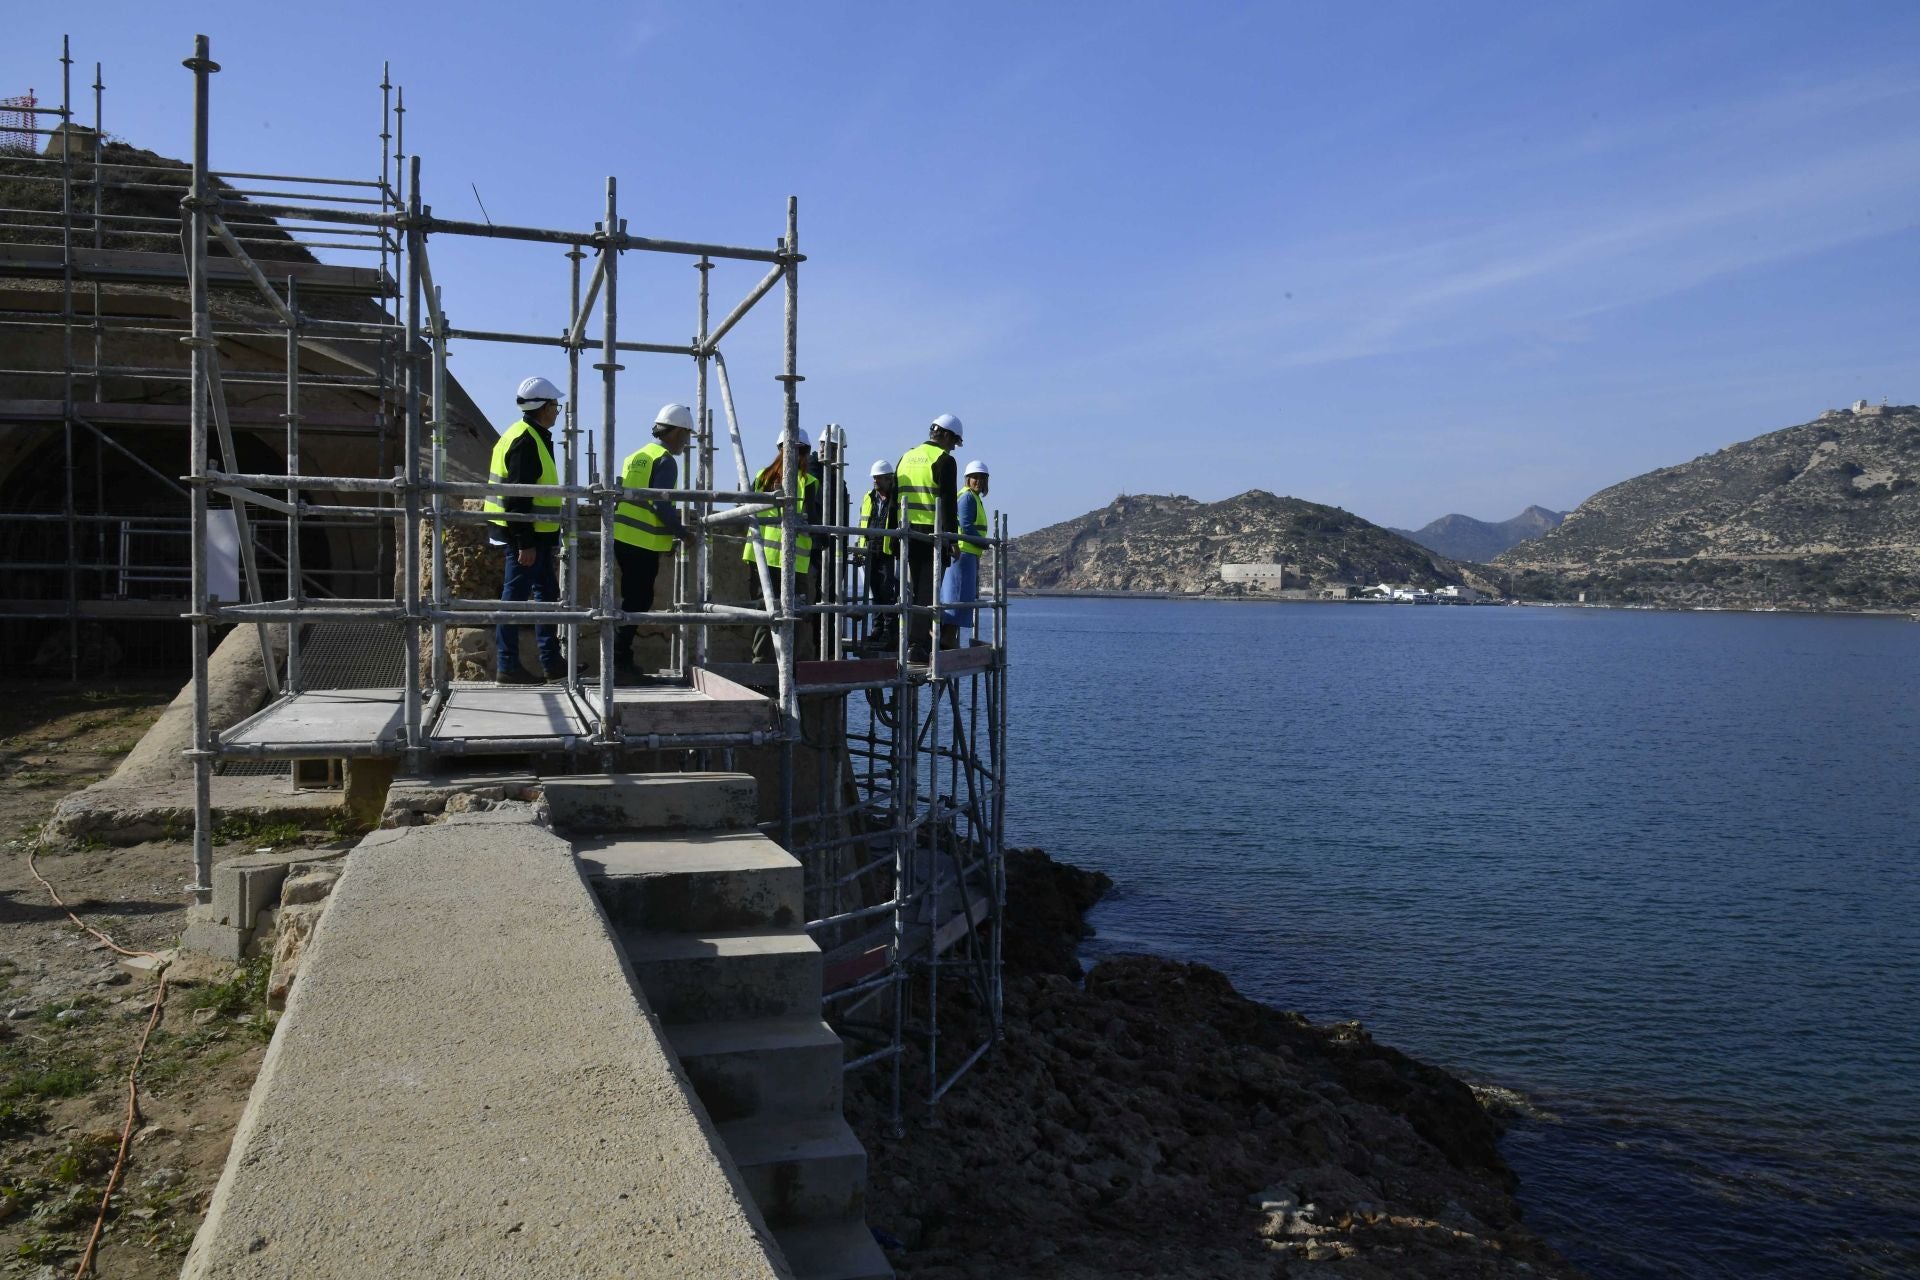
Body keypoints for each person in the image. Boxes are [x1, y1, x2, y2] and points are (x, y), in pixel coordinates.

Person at [483, 376, 566, 684]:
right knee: (515, 597)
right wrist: (524, 543)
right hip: (525, 536)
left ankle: (551, 662)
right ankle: (507, 665)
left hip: (537, 535)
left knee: (546, 593)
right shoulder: (525, 441)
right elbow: (517, 498)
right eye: (555, 406)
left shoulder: (532, 435)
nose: (557, 411)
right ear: (543, 407)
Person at [610, 403, 694, 680]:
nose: (687, 441)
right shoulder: (665, 460)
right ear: (677, 432)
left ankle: (617, 658)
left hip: (622, 537)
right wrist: (682, 532)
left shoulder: (636, 456)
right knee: (637, 601)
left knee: (629, 600)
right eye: (686, 434)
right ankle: (619, 661)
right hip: (643, 542)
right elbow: (661, 506)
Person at [741, 428, 818, 663]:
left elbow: (747, 511)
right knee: (796, 613)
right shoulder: (807, 481)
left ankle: (761, 664)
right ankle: (793, 666)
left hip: (761, 556)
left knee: (767, 612)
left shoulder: (762, 477)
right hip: (792, 559)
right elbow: (813, 521)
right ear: (805, 452)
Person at [895, 413, 961, 663]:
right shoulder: (944, 460)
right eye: (953, 441)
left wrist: (893, 537)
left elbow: (894, 500)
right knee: (927, 593)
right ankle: (916, 645)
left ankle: (904, 639)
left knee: (908, 591)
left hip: (905, 533)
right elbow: (948, 505)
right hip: (931, 536)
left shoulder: (906, 456)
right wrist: (952, 539)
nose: (953, 447)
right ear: (945, 435)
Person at [941, 459, 991, 645]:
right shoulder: (968, 497)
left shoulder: (973, 497)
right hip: (963, 554)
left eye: (982, 478)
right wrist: (983, 542)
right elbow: (966, 525)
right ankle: (944, 642)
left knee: (960, 599)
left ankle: (946, 641)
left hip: (968, 554)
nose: (978, 481)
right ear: (967, 479)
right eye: (974, 477)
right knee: (957, 599)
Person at [858, 459, 898, 647]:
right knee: (875, 591)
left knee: (886, 591)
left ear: (889, 479)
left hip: (887, 551)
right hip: (870, 550)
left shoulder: (895, 499)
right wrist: (859, 548)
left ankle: (890, 632)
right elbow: (862, 523)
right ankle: (877, 628)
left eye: (879, 478)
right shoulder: (869, 497)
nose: (875, 481)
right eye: (874, 478)